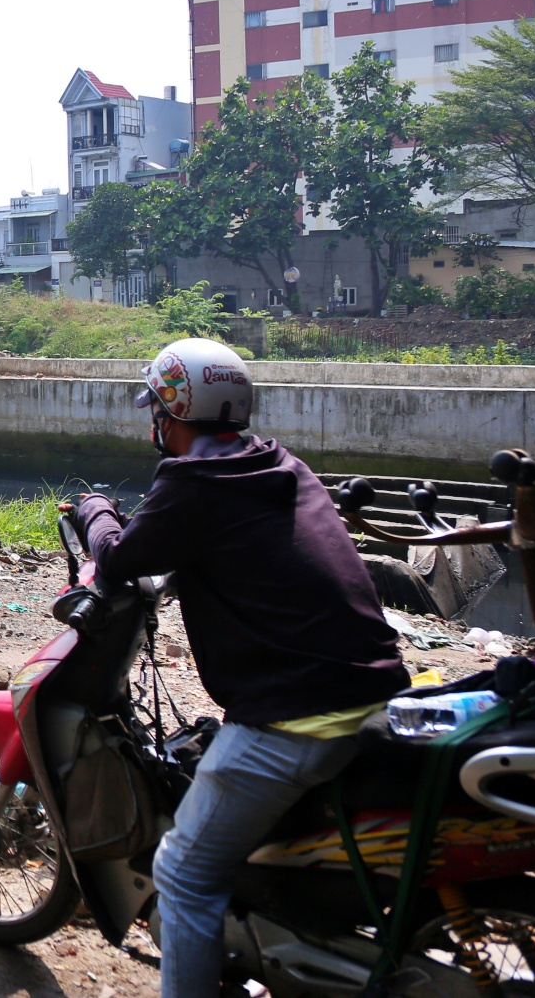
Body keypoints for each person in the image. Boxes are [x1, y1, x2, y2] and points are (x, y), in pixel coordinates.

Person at [70, 337, 406, 998]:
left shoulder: (192, 481)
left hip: (295, 719)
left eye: (158, 410)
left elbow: (117, 558)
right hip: (374, 690)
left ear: (173, 414)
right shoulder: (280, 463)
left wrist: (95, 509)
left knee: (185, 873)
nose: (154, 424)